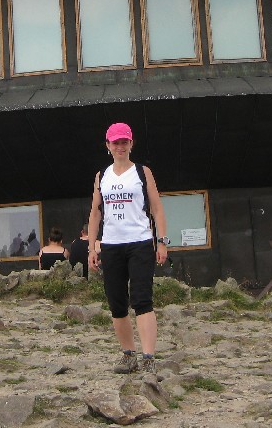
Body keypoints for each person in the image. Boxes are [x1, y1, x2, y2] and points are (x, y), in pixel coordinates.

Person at [88, 122, 169, 376]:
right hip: (111, 245)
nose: (120, 146)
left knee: (142, 299)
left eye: (124, 142)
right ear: (108, 145)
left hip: (140, 242)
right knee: (116, 302)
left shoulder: (143, 172)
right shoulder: (102, 175)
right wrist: (92, 248)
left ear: (131, 144)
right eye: (115, 142)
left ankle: (149, 357)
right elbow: (95, 212)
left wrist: (162, 241)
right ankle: (128, 354)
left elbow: (157, 208)